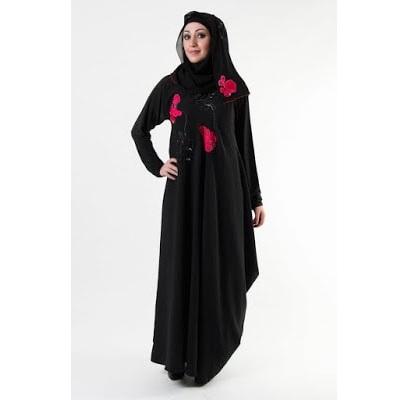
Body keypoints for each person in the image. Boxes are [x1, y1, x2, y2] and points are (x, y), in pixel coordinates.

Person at [131, 10, 266, 386]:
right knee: (182, 263)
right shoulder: (171, 86)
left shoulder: (232, 89)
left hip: (225, 193)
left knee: (219, 265)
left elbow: (244, 146)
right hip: (184, 193)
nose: (191, 42)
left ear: (215, 41)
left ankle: (208, 355)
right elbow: (140, 130)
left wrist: (255, 198)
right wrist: (158, 166)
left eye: (200, 34)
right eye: (186, 35)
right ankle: (179, 357)